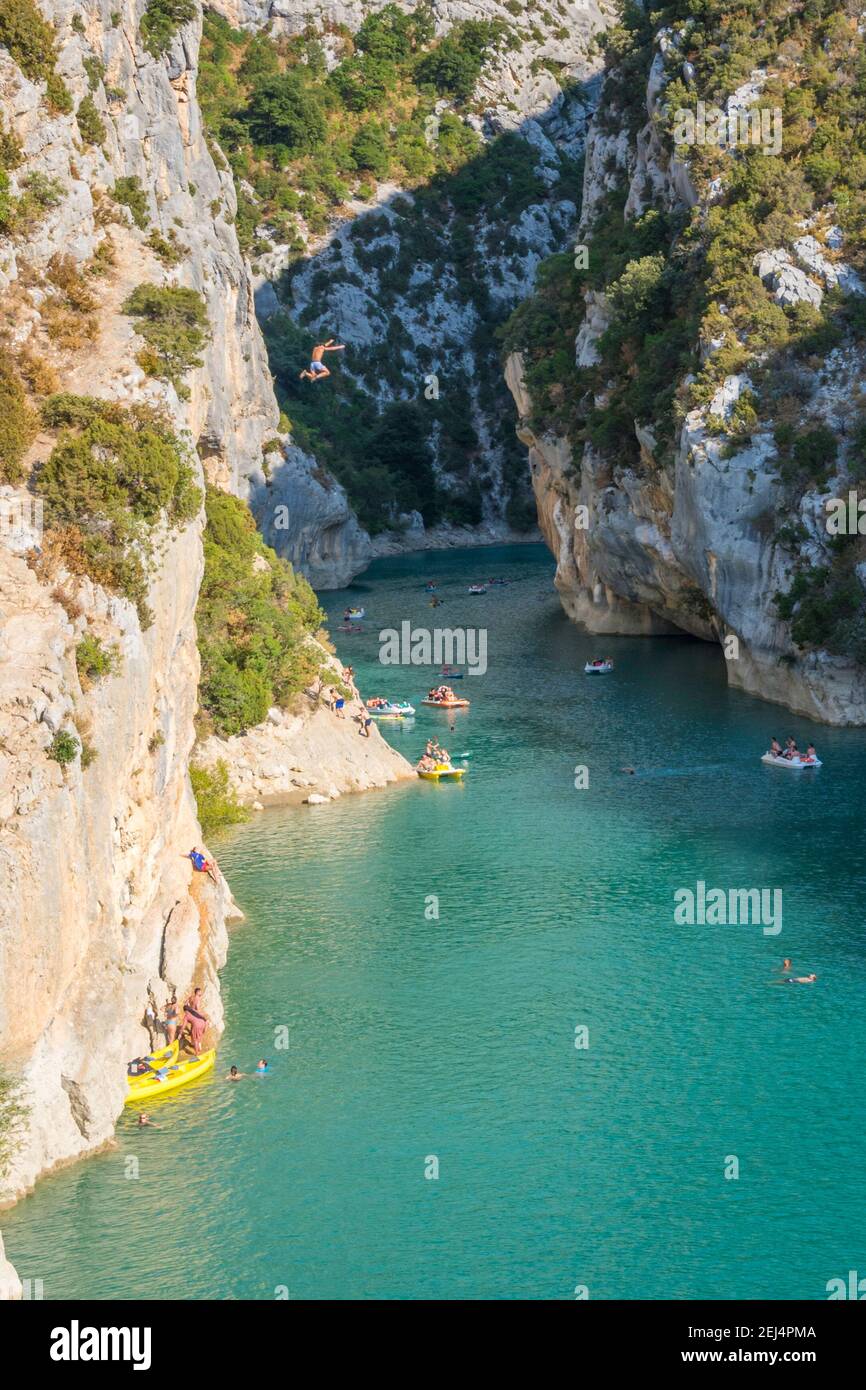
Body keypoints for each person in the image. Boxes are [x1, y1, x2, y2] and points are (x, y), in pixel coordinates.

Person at [182, 988, 208, 1056]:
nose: (201, 993)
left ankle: (192, 1043)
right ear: (198, 992)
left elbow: (185, 1003)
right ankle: (198, 1046)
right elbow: (197, 1008)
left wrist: (189, 1008)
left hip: (190, 1014)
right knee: (198, 1032)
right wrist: (202, 1016)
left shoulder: (191, 997)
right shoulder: (198, 999)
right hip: (196, 1015)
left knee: (193, 1029)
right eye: (200, 992)